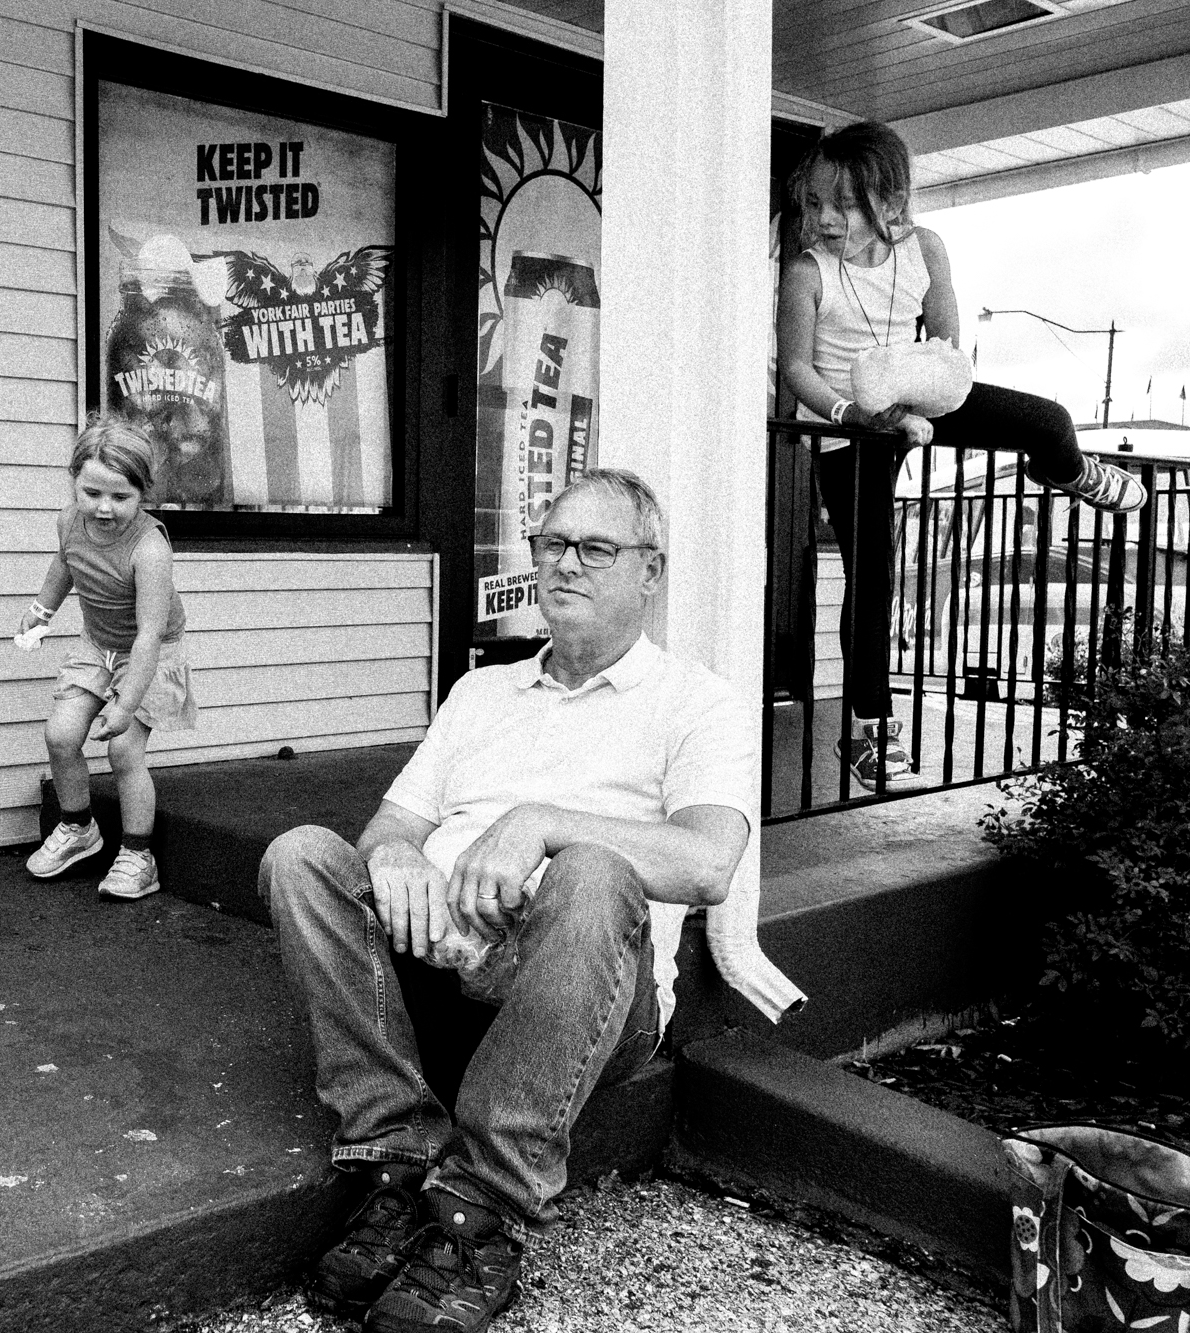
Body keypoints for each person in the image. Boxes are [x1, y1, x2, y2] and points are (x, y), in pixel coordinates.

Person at [260, 471, 773, 1333]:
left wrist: (541, 824)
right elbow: (389, 825)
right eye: (552, 543)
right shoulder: (481, 691)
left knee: (594, 869)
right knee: (301, 856)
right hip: (437, 965)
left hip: (583, 993)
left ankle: (477, 1209)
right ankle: (396, 1151)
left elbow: (708, 864)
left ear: (650, 571)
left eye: (595, 548)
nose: (565, 563)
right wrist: (398, 858)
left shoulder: (699, 704)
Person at [776, 119, 1148, 792]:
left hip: (918, 394)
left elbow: (946, 345)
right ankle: (868, 733)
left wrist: (923, 397)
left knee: (1049, 418)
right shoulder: (807, 271)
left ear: (891, 201)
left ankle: (1066, 471)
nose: (826, 219)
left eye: (846, 204)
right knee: (872, 574)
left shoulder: (926, 249)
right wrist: (854, 413)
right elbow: (798, 369)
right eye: (815, 203)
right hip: (847, 426)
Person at [19, 414, 197, 901]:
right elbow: (65, 564)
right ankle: (78, 828)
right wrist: (42, 611)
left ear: (143, 494)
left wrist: (125, 704)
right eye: (92, 492)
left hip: (150, 651)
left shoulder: (150, 549)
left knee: (123, 751)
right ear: (74, 482)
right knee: (60, 735)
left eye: (121, 497)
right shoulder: (68, 521)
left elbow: (149, 635)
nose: (103, 507)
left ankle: (139, 856)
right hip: (98, 645)